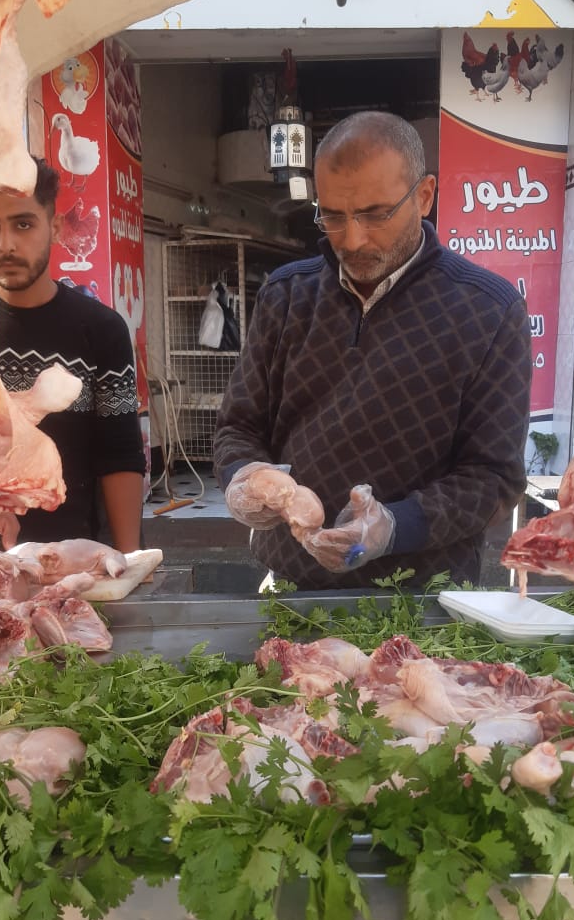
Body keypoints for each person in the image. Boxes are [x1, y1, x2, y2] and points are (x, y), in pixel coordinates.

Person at [213, 110, 532, 591]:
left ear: (424, 196)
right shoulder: (286, 295)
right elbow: (238, 427)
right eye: (333, 216)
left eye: (375, 214)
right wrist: (248, 477)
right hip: (289, 584)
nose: (352, 239)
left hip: (423, 596)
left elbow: (494, 477)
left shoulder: (489, 310)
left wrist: (395, 526)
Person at [0, 158, 146, 556]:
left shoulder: (101, 329)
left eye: (23, 224)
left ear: (54, 227)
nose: (5, 244)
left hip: (70, 557)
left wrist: (130, 561)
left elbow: (120, 455)